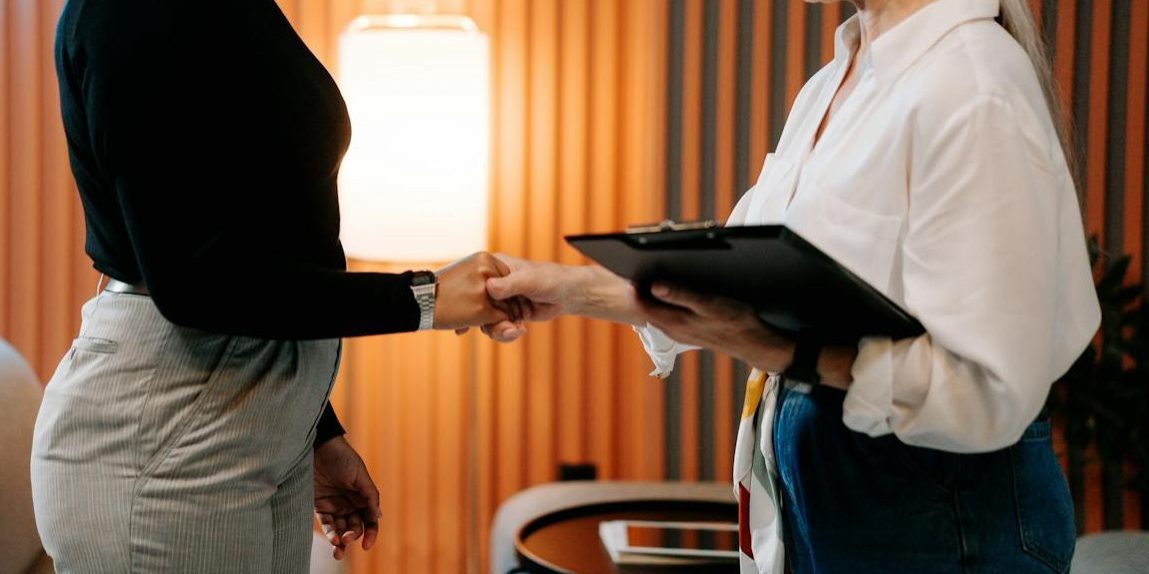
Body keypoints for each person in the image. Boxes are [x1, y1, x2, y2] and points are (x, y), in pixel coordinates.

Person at [481, 0, 1100, 572]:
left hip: (941, 521)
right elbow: (734, 285)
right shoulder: (835, 83)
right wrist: (567, 289)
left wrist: (783, 351)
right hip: (836, 507)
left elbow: (987, 393)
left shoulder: (973, 86)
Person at [32, 0, 521, 572]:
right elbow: (195, 280)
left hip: (233, 416)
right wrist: (423, 298)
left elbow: (257, 233)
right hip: (166, 440)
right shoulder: (138, 13)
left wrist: (314, 429)